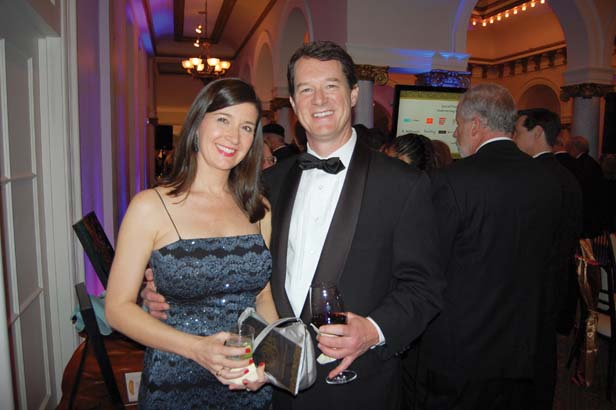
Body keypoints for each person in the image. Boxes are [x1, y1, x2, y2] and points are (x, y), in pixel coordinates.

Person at [143, 41, 444, 410]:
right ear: (294, 103)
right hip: (273, 383)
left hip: (357, 384)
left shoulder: (403, 184)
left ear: (353, 94)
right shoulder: (267, 183)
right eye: (306, 89)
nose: (319, 100)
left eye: (331, 86)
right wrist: (166, 291)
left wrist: (373, 330)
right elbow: (232, 265)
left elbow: (425, 287)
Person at [105, 78, 278, 410]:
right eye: (223, 120)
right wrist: (196, 348)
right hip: (175, 380)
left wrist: (270, 360)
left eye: (246, 127)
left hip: (245, 383)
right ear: (198, 123)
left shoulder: (259, 208)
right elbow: (117, 308)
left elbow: (263, 296)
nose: (233, 137)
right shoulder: (150, 206)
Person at [415, 84, 562, 410]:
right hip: (524, 349)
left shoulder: (452, 181)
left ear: (475, 125)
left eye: (457, 124)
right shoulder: (549, 180)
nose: (455, 134)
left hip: (462, 353)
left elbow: (429, 266)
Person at [513, 108, 583, 409]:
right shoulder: (565, 176)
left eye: (518, 132)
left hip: (532, 281)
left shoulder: (533, 177)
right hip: (555, 278)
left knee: (532, 356)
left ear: (538, 132)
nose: (514, 138)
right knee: (543, 351)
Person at [567, 135, 608, 238]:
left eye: (569, 148)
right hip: (595, 211)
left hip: (582, 213)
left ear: (574, 148)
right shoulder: (594, 163)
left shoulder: (575, 165)